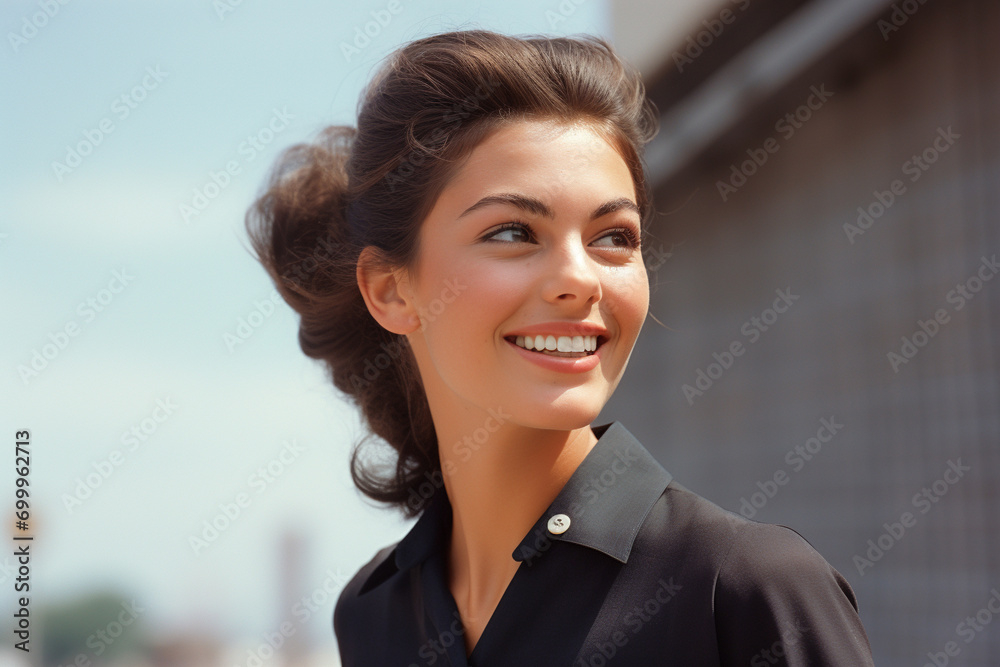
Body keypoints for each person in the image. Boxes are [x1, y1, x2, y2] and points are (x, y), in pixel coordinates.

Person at [244, 29, 875, 667]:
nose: (580, 278)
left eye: (614, 237)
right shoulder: (372, 613)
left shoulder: (744, 591)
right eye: (514, 231)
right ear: (390, 290)